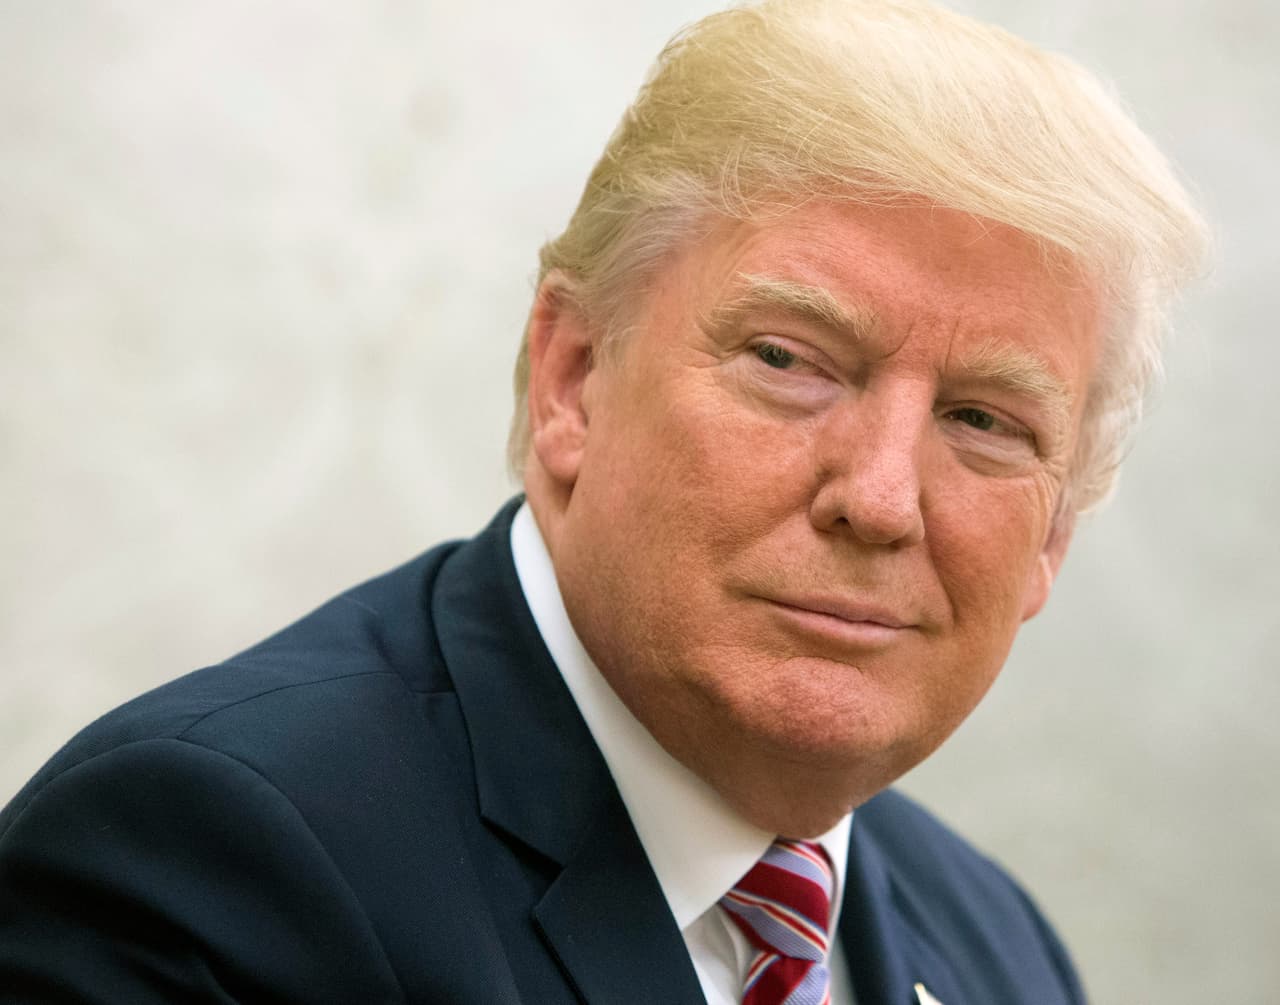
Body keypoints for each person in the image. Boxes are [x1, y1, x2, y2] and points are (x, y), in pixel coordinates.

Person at [0, 1, 1207, 1002]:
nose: (881, 500)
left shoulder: (1002, 952)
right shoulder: (209, 862)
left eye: (984, 422)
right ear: (572, 378)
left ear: (1054, 531)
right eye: (787, 361)